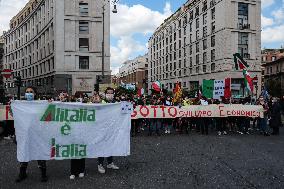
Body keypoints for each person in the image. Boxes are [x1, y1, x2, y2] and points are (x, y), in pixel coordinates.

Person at [15, 87, 48, 183]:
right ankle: (22, 173)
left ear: (35, 94)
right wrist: (12, 107)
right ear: (25, 94)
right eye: (27, 92)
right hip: (25, 134)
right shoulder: (21, 105)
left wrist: (50, 104)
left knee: (40, 154)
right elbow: (15, 116)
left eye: (31, 92)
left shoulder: (40, 105)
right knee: (24, 152)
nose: (29, 93)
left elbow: (47, 115)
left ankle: (43, 174)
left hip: (38, 134)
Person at [97, 88, 119, 174]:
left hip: (112, 128)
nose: (110, 94)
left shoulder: (116, 103)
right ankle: (100, 164)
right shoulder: (101, 102)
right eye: (108, 93)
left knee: (110, 145)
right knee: (102, 146)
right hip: (102, 128)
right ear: (105, 94)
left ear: (114, 94)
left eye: (111, 93)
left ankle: (110, 163)